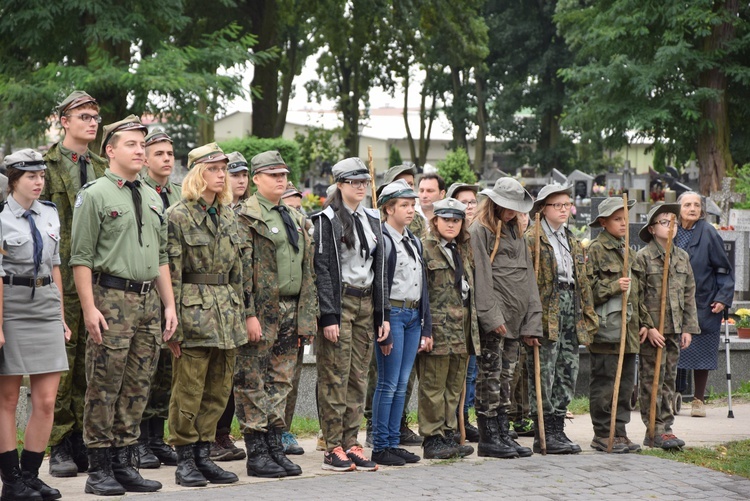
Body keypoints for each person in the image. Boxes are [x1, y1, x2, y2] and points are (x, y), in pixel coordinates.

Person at [70, 115, 177, 495]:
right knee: (104, 384)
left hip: (149, 300)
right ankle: (98, 468)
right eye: (131, 144)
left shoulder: (151, 194)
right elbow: (80, 257)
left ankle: (124, 461)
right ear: (110, 151)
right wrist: (88, 308)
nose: (139, 151)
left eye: (141, 146)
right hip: (110, 298)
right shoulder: (95, 194)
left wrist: (169, 305)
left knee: (137, 384)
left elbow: (161, 254)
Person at [165, 143, 245, 487]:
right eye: (213, 169)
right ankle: (184, 455)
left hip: (227, 313)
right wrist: (174, 327)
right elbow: (171, 272)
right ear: (198, 174)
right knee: (189, 389)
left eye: (223, 169)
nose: (220, 175)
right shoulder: (178, 216)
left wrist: (242, 312)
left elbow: (238, 271)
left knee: (218, 389)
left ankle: (204, 453)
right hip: (194, 313)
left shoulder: (228, 214)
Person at [234, 151, 317, 478]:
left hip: (291, 309)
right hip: (261, 311)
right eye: (273, 175)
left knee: (282, 380)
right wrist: (248, 314)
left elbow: (307, 270)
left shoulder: (293, 217)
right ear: (256, 179)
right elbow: (240, 270)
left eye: (284, 175)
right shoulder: (245, 216)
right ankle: (256, 452)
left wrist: (306, 317)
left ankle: (273, 444)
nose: (281, 180)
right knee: (252, 379)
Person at [43, 90, 108, 478]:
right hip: (57, 276)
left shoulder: (103, 166)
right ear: (64, 121)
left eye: (95, 117)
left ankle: (84, 438)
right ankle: (59, 443)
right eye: (83, 116)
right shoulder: (47, 166)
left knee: (91, 363)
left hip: (97, 278)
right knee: (60, 363)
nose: (92, 122)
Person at [0, 150, 70, 501]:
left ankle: (30, 476)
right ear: (14, 180)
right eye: (31, 176)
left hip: (45, 306)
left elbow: (55, 265)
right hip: (10, 307)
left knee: (45, 400)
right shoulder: (1, 219)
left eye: (41, 175)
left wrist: (60, 316)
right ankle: (11, 482)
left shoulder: (49, 215)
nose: (39, 181)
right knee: (8, 398)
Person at [312, 157, 390, 472]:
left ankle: (351, 440)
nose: (360, 187)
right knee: (334, 376)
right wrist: (328, 316)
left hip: (366, 302)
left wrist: (381, 314)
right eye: (353, 182)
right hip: (340, 303)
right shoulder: (325, 219)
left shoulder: (373, 219)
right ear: (340, 185)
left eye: (363, 182)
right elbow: (322, 271)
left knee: (358, 376)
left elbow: (380, 269)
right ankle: (332, 445)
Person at [524, 184, 598, 454]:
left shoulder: (571, 240)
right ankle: (543, 430)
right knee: (545, 369)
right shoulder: (532, 238)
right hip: (546, 308)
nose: (564, 209)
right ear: (543, 208)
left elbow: (583, 280)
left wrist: (587, 316)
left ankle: (557, 426)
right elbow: (527, 281)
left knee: (568, 367)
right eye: (558, 205)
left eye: (567, 204)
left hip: (571, 305)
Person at [469, 178, 539, 459]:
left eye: (515, 208)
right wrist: (490, 315)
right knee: (490, 377)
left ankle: (502, 430)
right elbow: (482, 277)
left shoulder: (515, 231)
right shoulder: (479, 230)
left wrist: (532, 320)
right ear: (495, 202)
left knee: (506, 379)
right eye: (507, 207)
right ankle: (488, 437)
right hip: (496, 319)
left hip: (516, 317)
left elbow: (527, 276)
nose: (512, 212)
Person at [370, 180, 431, 466]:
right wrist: (380, 319)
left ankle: (394, 442)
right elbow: (379, 284)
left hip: (412, 315)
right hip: (392, 315)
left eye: (412, 205)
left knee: (403, 383)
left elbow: (423, 287)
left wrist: (425, 324)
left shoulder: (414, 240)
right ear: (388, 209)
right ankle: (381, 444)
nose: (410, 210)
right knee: (388, 382)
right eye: (404, 206)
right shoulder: (381, 240)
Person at [418, 197, 480, 459]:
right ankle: (432, 438)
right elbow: (421, 292)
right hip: (438, 327)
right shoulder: (425, 248)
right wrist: (425, 330)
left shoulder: (463, 247)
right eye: (446, 220)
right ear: (435, 220)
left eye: (456, 220)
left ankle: (449, 433)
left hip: (462, 327)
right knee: (433, 385)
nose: (451, 225)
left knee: (455, 385)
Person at [586, 197, 649, 453]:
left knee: (624, 386)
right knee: (605, 383)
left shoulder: (629, 252)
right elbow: (587, 291)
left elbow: (639, 294)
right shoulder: (594, 250)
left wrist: (646, 323)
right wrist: (613, 286)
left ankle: (619, 431)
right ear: (603, 222)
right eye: (617, 219)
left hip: (630, 331)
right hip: (607, 331)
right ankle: (602, 433)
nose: (624, 223)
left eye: (625, 219)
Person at [635, 204, 699, 450]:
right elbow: (637, 296)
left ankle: (666, 426)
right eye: (664, 222)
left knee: (669, 380)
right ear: (652, 229)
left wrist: (687, 328)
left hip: (673, 327)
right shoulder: (643, 257)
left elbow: (689, 294)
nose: (670, 225)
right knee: (652, 379)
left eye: (673, 221)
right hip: (653, 331)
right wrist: (647, 326)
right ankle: (653, 428)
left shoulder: (681, 256)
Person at [138, 127, 181, 468]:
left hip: (177, 290)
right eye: (160, 154)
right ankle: (138, 440)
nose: (167, 159)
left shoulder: (180, 193)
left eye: (170, 154)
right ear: (146, 158)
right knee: (146, 368)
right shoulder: (138, 191)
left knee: (167, 368)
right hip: (145, 290)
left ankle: (156, 437)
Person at [674, 192, 734, 417]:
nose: (692, 208)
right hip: (673, 300)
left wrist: (722, 297)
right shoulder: (670, 230)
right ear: (678, 208)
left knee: (701, 350)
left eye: (696, 205)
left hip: (703, 300)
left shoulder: (708, 232)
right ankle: (673, 393)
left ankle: (698, 400)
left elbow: (723, 268)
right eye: (687, 204)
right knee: (674, 347)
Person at [209, 151, 249, 463]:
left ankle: (223, 432)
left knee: (233, 377)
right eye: (234, 175)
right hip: (212, 304)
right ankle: (208, 435)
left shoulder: (246, 213)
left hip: (239, 303)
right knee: (214, 374)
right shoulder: (217, 209)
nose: (239, 180)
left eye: (243, 175)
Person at [444, 182, 480, 442]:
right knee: (454, 376)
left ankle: (463, 419)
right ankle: (452, 423)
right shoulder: (451, 237)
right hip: (450, 318)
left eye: (472, 202)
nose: (468, 207)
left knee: (470, 373)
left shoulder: (475, 235)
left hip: (473, 315)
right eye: (462, 202)